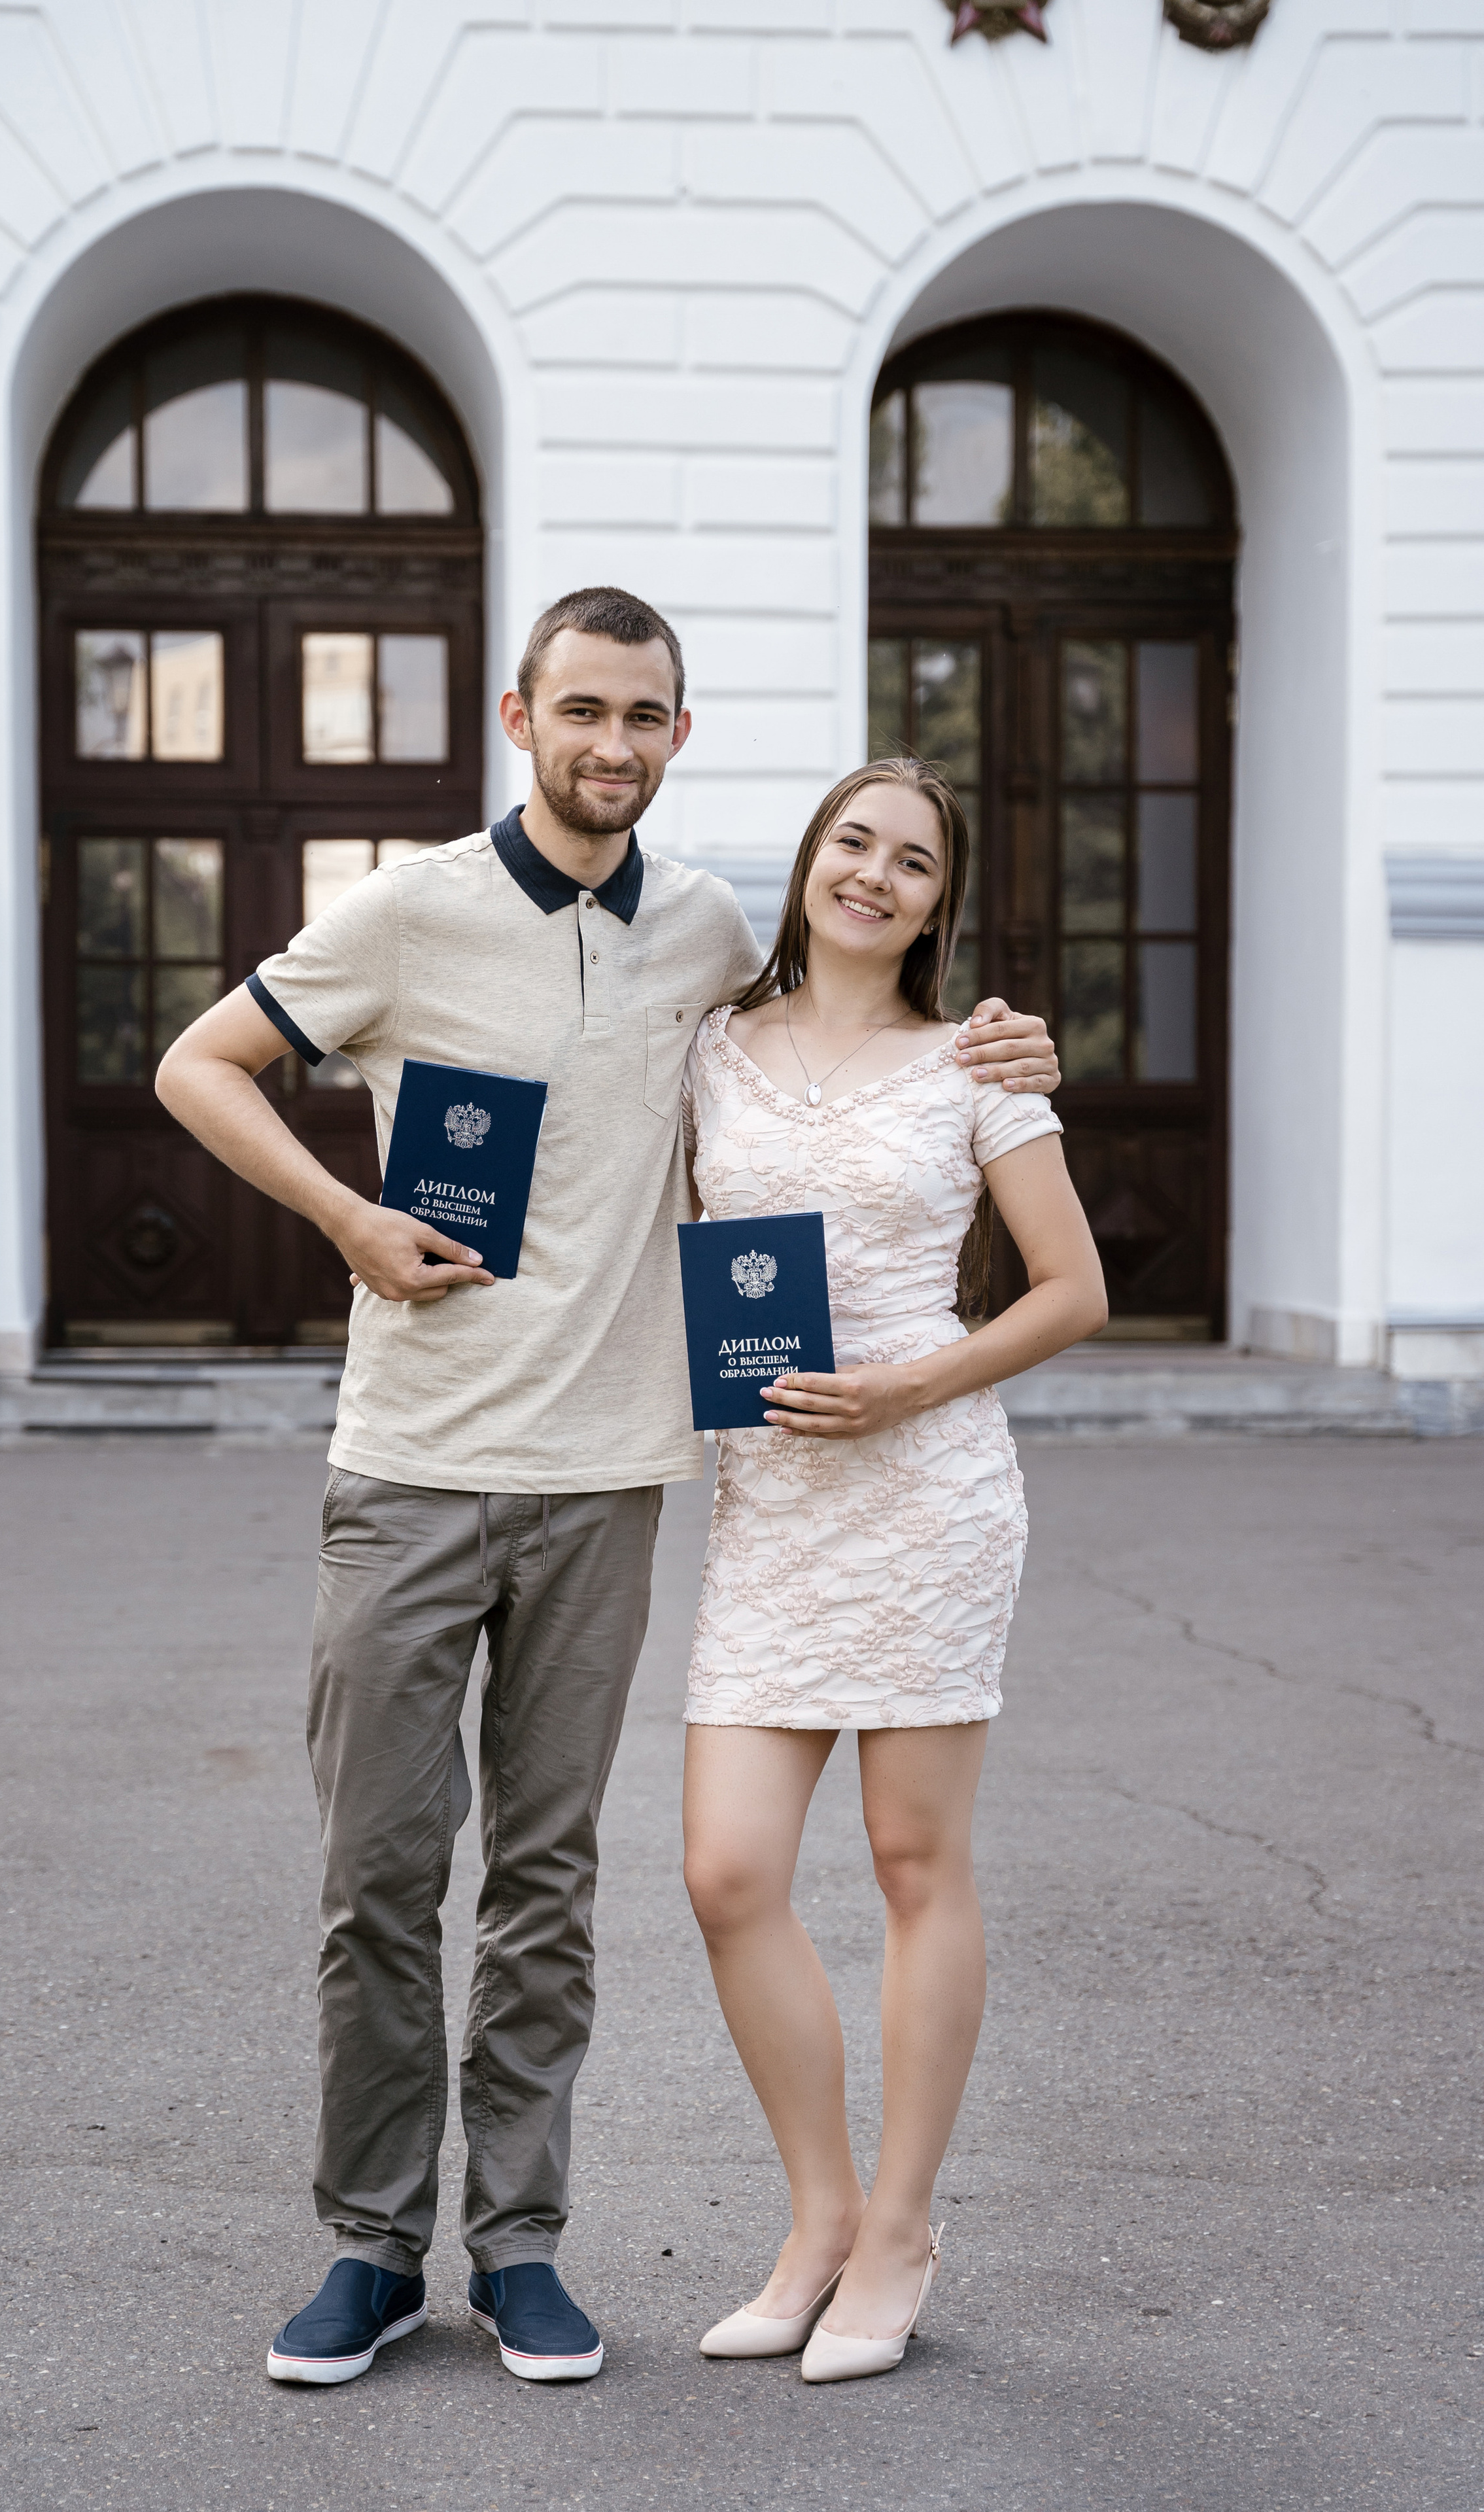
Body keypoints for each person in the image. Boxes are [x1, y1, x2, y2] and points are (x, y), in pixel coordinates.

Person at [154, 587, 1061, 2390]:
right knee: (382, 1876)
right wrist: (347, 1217)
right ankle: (365, 2250)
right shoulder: (413, 908)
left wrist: (1017, 1051)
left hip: (615, 1479)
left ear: (679, 738)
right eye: (583, 711)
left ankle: (520, 2248)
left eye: (644, 717)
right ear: (521, 716)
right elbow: (203, 1063)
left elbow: (850, 1058)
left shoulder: (713, 936)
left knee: (549, 1883)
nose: (612, 744)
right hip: (408, 1464)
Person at [680, 755, 1107, 2384]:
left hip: (925, 1490)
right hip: (771, 1501)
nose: (872, 874)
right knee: (727, 1872)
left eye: (910, 861)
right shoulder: (712, 1046)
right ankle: (817, 2216)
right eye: (850, 842)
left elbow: (1067, 1292)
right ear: (806, 863)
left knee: (912, 1864)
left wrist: (904, 1388)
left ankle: (904, 2227)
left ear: (938, 903)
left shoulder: (976, 1067)